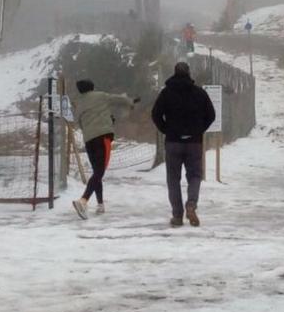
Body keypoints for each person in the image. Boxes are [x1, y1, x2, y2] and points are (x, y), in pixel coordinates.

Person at [151, 62, 215, 227]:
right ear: (189, 73)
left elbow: (156, 114)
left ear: (174, 73)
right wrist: (199, 130)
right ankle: (191, 204)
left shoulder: (166, 93)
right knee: (195, 176)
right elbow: (211, 115)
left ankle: (177, 215)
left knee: (173, 178)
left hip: (173, 142)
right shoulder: (199, 93)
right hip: (194, 142)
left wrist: (166, 129)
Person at [69, 79, 137, 219]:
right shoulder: (101, 96)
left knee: (96, 171)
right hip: (103, 138)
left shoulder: (79, 103)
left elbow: (79, 123)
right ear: (92, 87)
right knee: (100, 171)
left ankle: (100, 205)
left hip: (89, 140)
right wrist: (130, 102)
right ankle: (83, 201)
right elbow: (119, 99)